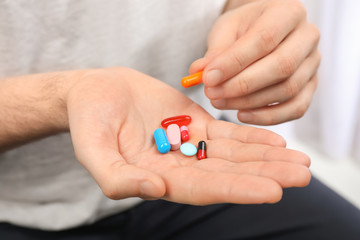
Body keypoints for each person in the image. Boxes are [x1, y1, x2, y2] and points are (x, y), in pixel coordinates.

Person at [0, 0, 359, 239]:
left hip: (205, 160)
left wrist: (257, 19)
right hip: (17, 209)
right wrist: (63, 97)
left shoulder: (188, 145)